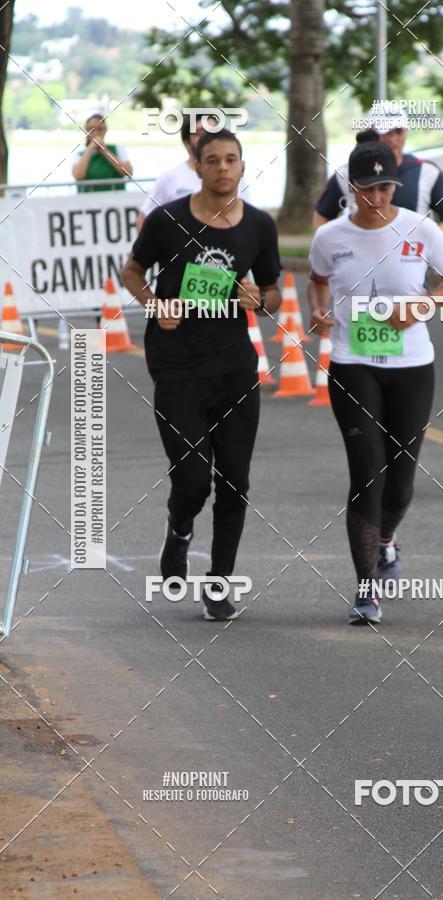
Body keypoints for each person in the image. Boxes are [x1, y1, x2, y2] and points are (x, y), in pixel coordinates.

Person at [121, 129, 282, 621]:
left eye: (231, 159)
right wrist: (153, 304)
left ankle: (219, 584)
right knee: (192, 481)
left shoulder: (258, 226)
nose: (223, 168)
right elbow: (132, 271)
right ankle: (179, 529)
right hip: (177, 366)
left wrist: (260, 299)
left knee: (234, 482)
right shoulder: (167, 220)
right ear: (197, 166)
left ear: (242, 165)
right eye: (212, 160)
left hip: (235, 367)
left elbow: (272, 292)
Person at [307, 140, 443, 625]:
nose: (377, 196)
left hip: (413, 365)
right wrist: (319, 309)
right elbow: (317, 278)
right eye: (367, 188)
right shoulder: (330, 236)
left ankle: (387, 538)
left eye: (385, 187)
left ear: (395, 186)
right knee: (367, 474)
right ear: (351, 189)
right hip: (354, 363)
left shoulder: (421, 230)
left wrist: (422, 305)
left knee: (400, 485)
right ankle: (366, 589)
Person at [313, 113, 443, 239]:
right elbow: (322, 215)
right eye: (386, 132)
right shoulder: (346, 173)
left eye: (398, 131)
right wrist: (335, 245)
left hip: (410, 268)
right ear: (370, 133)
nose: (393, 140)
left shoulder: (427, 172)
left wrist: (420, 240)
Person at [136, 113, 253, 231]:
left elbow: (247, 221)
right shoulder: (170, 178)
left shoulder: (232, 177)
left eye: (214, 132)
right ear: (187, 142)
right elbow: (144, 220)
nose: (208, 137)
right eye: (200, 133)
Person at [72, 114, 133, 192]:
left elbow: (128, 172)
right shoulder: (80, 154)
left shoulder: (118, 149)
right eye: (91, 129)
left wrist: (105, 151)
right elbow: (78, 176)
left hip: (115, 200)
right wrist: (89, 149)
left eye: (100, 129)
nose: (96, 132)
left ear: (105, 130)